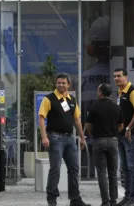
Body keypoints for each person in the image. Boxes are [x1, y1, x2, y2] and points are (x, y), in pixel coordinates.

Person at [38, 73, 90, 206]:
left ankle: (75, 199)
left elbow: (77, 119)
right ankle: (52, 199)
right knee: (55, 169)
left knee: (74, 169)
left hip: (70, 139)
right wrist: (44, 137)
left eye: (63, 83)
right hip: (54, 138)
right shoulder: (49, 99)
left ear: (68, 84)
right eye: (58, 83)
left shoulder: (72, 99)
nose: (60, 85)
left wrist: (82, 138)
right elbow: (41, 118)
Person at [85, 83, 124, 206]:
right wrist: (113, 134)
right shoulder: (117, 108)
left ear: (101, 93)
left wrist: (93, 135)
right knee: (113, 172)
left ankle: (105, 201)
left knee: (101, 172)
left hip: (99, 140)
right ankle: (113, 201)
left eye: (98, 91)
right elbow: (121, 126)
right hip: (113, 141)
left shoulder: (93, 107)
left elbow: (88, 126)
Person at [114, 68, 134, 206]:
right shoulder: (119, 93)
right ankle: (128, 195)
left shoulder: (133, 91)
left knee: (131, 167)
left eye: (119, 76)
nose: (116, 78)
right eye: (115, 76)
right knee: (124, 167)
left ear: (126, 77)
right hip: (120, 136)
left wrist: (129, 128)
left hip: (130, 135)